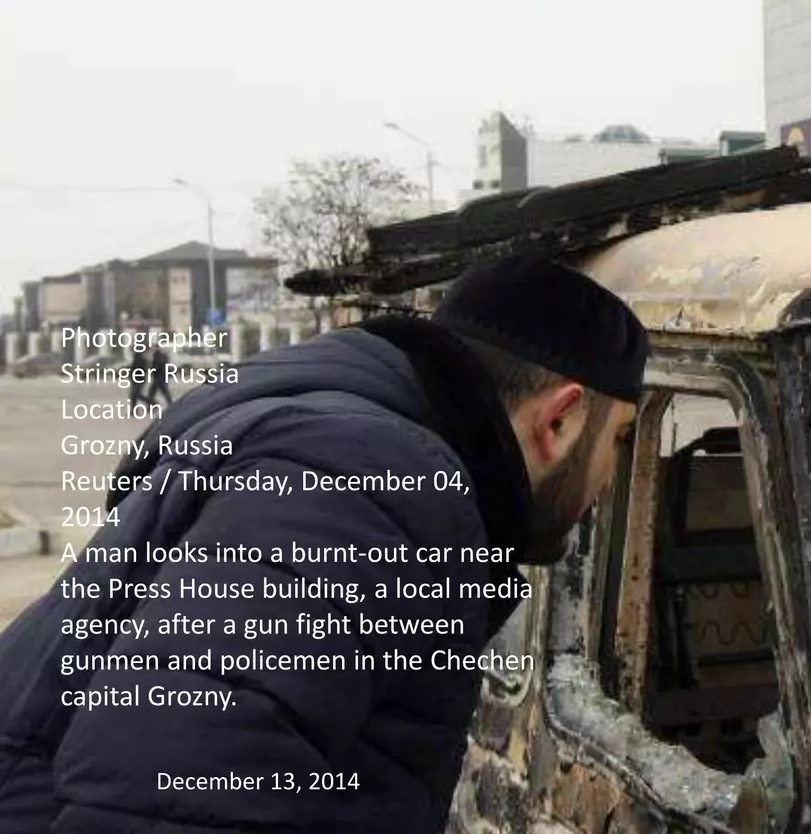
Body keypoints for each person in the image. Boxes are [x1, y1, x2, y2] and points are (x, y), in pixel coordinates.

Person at [0, 255, 648, 832]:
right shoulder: (362, 482)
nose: (612, 474)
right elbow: (166, 796)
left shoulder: (354, 456)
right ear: (560, 419)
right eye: (619, 439)